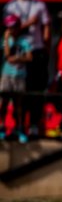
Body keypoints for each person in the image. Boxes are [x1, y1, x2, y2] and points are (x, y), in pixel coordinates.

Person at [3, 0, 49, 137]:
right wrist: (28, 23)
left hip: (35, 50)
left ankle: (35, 124)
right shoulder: (10, 7)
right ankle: (17, 125)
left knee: (35, 88)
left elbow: (46, 27)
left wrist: (46, 47)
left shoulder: (39, 5)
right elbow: (10, 31)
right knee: (16, 92)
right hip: (17, 51)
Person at [0, 14, 33, 142]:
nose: (11, 30)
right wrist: (6, 39)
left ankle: (20, 128)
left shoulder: (24, 41)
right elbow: (7, 55)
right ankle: (2, 127)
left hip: (20, 75)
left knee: (19, 104)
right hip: (6, 75)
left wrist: (19, 58)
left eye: (13, 27)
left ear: (18, 27)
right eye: (9, 27)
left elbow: (30, 57)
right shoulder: (4, 40)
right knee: (3, 102)